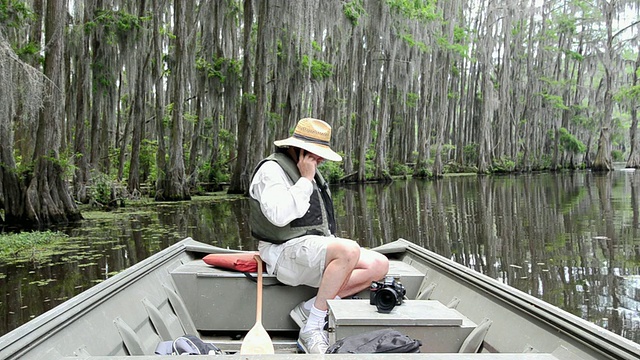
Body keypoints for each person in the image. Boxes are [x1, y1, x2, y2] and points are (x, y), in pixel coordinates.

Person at [248, 118, 390, 354]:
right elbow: (279, 216)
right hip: (282, 252)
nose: (322, 158)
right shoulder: (271, 170)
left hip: (305, 250)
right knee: (349, 250)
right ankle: (312, 329)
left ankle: (309, 309)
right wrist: (305, 179)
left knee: (379, 264)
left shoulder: (309, 170)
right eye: (316, 153)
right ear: (300, 150)